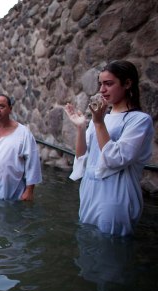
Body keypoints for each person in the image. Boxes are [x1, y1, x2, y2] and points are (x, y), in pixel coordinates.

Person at [64, 60, 154, 236]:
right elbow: (83, 158)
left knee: (111, 250)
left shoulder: (139, 120)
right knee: (87, 248)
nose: (102, 90)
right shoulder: (100, 117)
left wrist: (98, 123)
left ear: (127, 84)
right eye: (101, 84)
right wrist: (81, 128)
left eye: (108, 84)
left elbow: (116, 159)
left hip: (116, 193)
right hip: (90, 189)